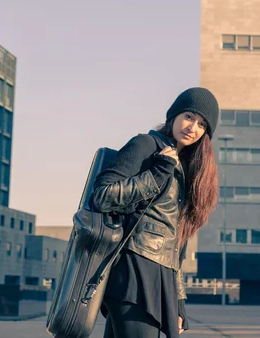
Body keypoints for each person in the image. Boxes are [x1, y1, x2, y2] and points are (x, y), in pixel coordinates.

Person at [91, 87, 220, 338]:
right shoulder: (146, 145)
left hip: (159, 277)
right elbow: (103, 196)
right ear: (174, 115)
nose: (192, 127)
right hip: (132, 272)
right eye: (189, 116)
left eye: (202, 124)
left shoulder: (185, 170)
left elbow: (176, 244)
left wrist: (178, 300)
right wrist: (157, 174)